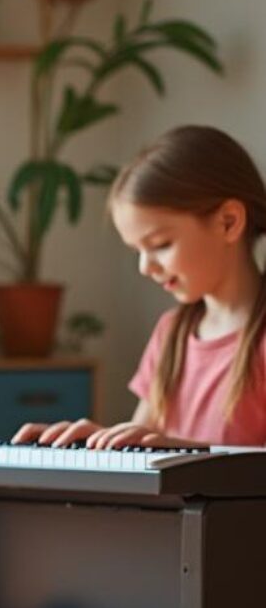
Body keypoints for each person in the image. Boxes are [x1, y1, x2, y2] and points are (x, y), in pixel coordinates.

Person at [14, 124, 266, 449]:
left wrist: (187, 451)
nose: (145, 267)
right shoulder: (170, 332)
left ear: (228, 222)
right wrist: (97, 443)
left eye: (160, 244)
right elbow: (145, 443)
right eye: (138, 251)